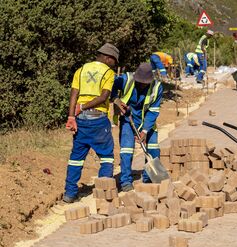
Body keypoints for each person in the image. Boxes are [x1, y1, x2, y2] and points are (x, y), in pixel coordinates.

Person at [63, 43, 119, 203]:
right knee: (107, 155)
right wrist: (84, 106)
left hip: (80, 120)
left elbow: (74, 94)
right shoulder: (108, 73)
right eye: (114, 61)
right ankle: (104, 192)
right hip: (98, 120)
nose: (114, 64)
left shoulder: (80, 71)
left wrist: (71, 116)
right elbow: (103, 97)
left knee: (76, 157)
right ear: (108, 58)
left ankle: (69, 193)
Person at [111, 63, 163, 191]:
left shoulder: (157, 87)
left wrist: (145, 130)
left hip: (147, 121)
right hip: (128, 119)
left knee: (153, 149)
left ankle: (149, 179)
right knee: (126, 150)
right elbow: (109, 86)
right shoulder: (125, 79)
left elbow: (153, 111)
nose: (141, 85)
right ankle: (126, 182)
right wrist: (116, 99)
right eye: (139, 82)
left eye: (144, 83)